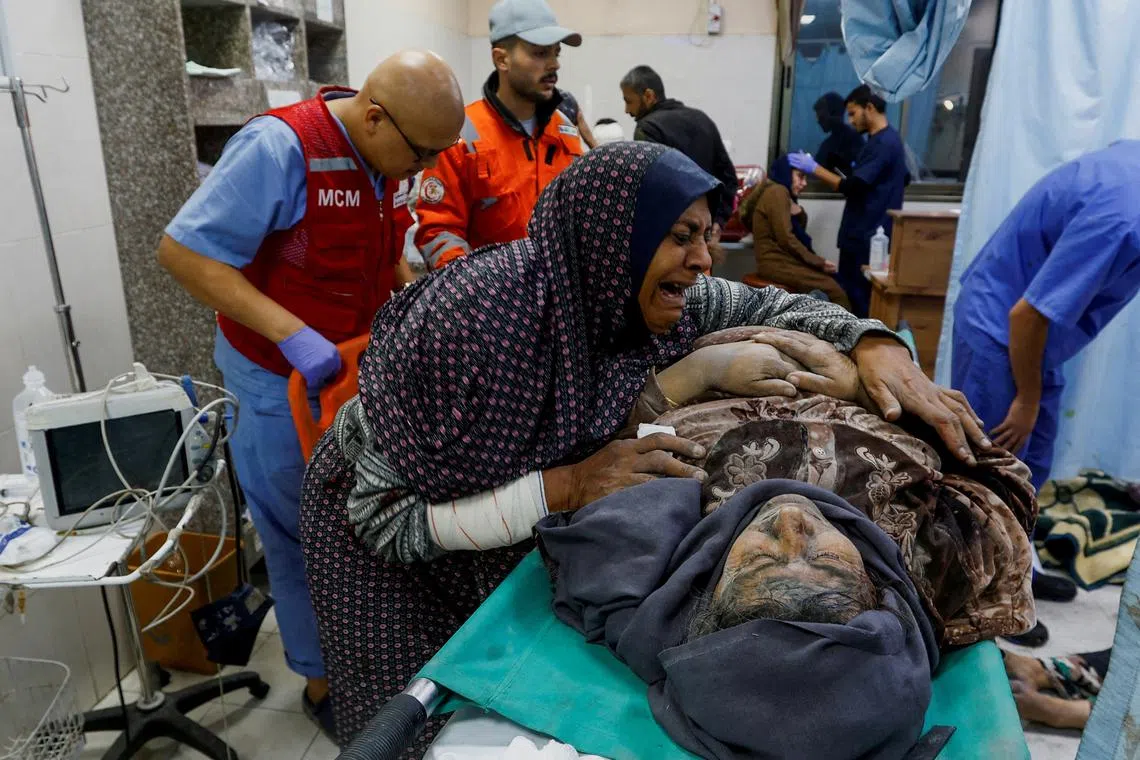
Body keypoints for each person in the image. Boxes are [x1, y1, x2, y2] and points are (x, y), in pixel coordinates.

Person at [299, 142, 989, 749]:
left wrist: (874, 344)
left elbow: (776, 305)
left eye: (707, 236)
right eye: (682, 236)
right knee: (410, 716)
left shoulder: (632, 293)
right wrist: (569, 485)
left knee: (486, 678)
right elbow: (387, 520)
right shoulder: (476, 329)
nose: (704, 259)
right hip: (380, 536)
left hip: (492, 517)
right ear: (613, 239)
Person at [157, 50, 465, 735]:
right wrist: (290, 332)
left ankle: (374, 658)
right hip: (278, 379)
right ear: (376, 118)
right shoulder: (279, 149)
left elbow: (383, 250)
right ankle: (322, 684)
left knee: (363, 524)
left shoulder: (387, 158)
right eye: (422, 154)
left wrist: (425, 304)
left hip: (353, 374)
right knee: (301, 534)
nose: (426, 170)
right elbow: (183, 252)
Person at [535, 480, 938, 760]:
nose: (790, 518)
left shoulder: (632, 562)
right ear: (874, 585)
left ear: (709, 594)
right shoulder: (929, 533)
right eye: (828, 560)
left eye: (760, 559)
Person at [951, 140, 1140, 637]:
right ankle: (979, 598)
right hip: (1004, 329)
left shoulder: (1132, 165)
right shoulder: (1122, 219)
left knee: (1032, 465)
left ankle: (1019, 567)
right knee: (988, 472)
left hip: (1040, 337)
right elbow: (1026, 315)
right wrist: (1027, 399)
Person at [411, 0, 584, 269]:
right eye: (540, 53)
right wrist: (477, 284)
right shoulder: (462, 135)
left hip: (559, 290)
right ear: (501, 59)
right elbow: (438, 230)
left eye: (556, 53)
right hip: (488, 291)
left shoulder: (565, 132)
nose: (554, 65)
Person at [789, 85, 910, 317]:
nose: (851, 121)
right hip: (862, 231)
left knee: (857, 301)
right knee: (851, 296)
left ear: (870, 108)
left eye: (853, 114)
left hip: (866, 235)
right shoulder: (879, 142)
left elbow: (853, 187)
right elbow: (903, 177)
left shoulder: (884, 144)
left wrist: (815, 168)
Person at [620, 65, 738, 241]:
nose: (626, 110)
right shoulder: (702, 119)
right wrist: (718, 222)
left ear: (649, 96)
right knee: (701, 261)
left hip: (673, 237)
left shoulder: (648, 128)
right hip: (704, 234)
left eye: (629, 101)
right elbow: (728, 177)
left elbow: (653, 187)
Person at [738, 154, 849, 308]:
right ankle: (842, 324)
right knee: (835, 291)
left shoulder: (782, 193)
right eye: (800, 176)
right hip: (776, 264)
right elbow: (787, 239)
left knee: (833, 283)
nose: (804, 183)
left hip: (783, 262)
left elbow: (797, 232)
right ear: (786, 172)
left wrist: (799, 212)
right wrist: (819, 262)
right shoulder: (778, 191)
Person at [813, 91, 864, 175]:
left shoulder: (852, 139)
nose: (818, 121)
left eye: (822, 117)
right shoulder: (827, 145)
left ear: (834, 115)